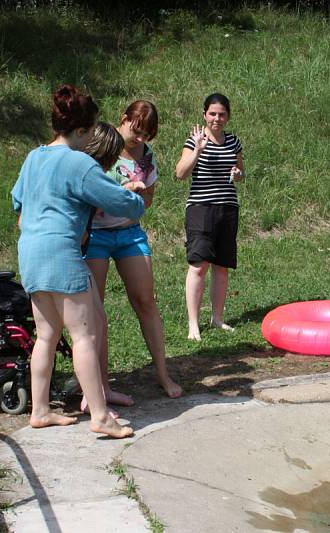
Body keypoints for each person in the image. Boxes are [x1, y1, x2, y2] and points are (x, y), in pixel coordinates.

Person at [11, 85, 145, 439]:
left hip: (30, 252)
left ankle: (39, 411)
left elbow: (19, 208)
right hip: (62, 252)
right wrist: (137, 202)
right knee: (85, 334)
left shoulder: (33, 157)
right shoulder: (79, 162)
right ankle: (100, 416)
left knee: (46, 336)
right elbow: (115, 200)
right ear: (82, 130)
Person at [83, 105, 182, 402]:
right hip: (96, 233)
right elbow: (85, 198)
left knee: (146, 301)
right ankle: (98, 384)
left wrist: (137, 197)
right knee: (94, 310)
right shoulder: (102, 146)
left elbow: (147, 202)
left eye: (145, 134)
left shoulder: (147, 157)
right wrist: (120, 194)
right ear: (124, 119)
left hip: (129, 232)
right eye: (136, 129)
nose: (139, 138)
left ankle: (163, 374)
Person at [175, 93, 245, 341]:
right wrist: (197, 150)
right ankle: (193, 324)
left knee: (222, 266)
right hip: (201, 208)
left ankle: (217, 319)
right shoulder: (195, 139)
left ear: (228, 116)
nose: (217, 118)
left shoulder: (234, 141)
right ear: (204, 114)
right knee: (198, 265)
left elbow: (240, 172)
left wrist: (237, 174)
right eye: (212, 113)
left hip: (228, 207)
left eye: (222, 114)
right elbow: (181, 173)